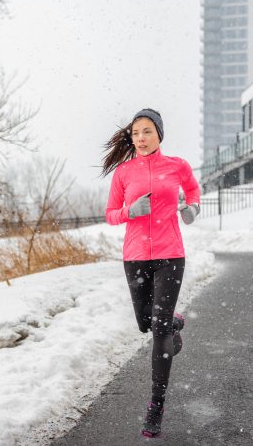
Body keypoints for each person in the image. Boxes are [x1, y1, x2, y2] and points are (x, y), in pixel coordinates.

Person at [102, 108, 201, 438]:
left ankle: (156, 405)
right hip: (135, 258)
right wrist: (131, 211)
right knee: (147, 323)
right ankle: (174, 323)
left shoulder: (177, 166)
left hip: (170, 254)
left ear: (159, 133)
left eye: (146, 131)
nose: (140, 138)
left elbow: (194, 191)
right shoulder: (123, 173)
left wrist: (192, 209)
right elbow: (111, 214)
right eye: (135, 133)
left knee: (156, 328)